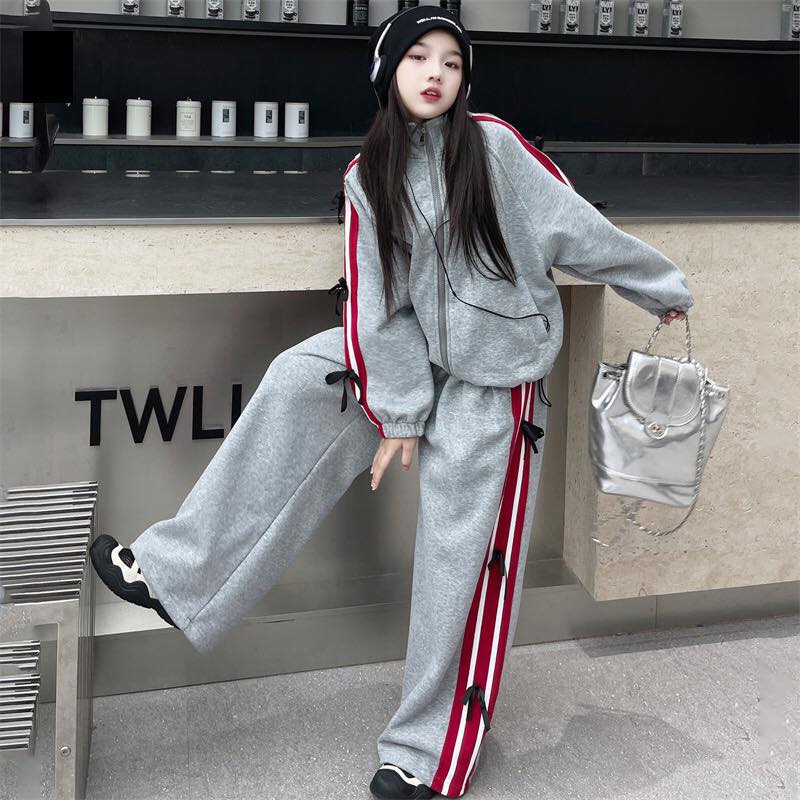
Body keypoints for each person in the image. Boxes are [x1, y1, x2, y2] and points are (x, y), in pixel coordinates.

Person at [90, 6, 693, 799]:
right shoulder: (368, 175)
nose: (435, 72)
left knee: (459, 560)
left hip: (496, 381)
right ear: (388, 73)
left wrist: (660, 287)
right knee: (302, 376)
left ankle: (426, 755)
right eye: (418, 57)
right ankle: (176, 576)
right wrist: (398, 414)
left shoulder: (497, 148)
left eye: (451, 61)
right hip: (418, 354)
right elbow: (377, 307)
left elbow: (580, 229)